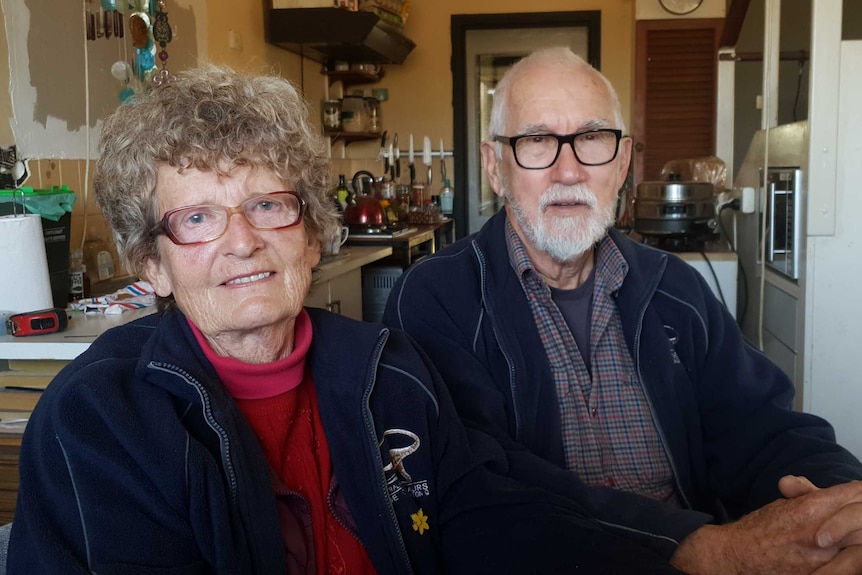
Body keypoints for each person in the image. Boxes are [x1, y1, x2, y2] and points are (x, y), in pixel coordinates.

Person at [7, 64, 688, 574]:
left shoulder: (389, 370)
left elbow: (486, 511)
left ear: (311, 234)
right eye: (196, 218)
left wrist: (686, 547)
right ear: (151, 263)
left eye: (270, 205)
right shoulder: (97, 420)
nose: (242, 240)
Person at [383, 47, 862, 574]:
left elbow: (764, 427)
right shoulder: (435, 297)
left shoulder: (676, 289)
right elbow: (482, 490)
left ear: (623, 161)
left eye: (591, 139)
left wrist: (841, 508)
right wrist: (699, 547)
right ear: (496, 167)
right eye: (537, 140)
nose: (568, 171)